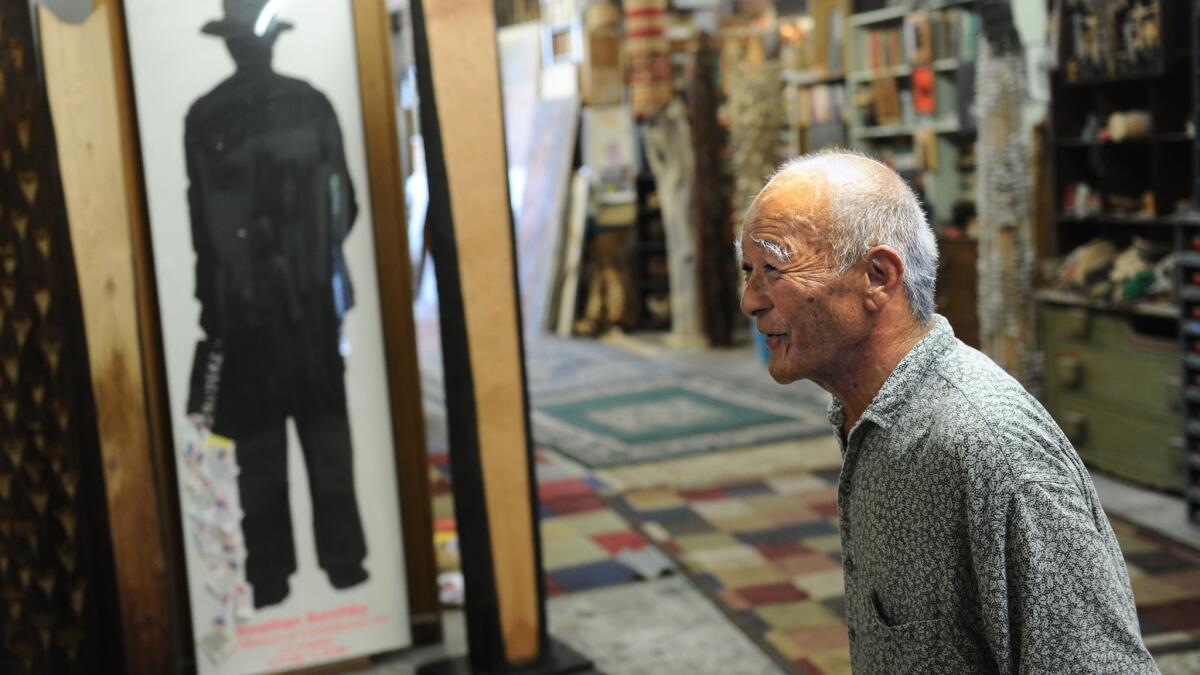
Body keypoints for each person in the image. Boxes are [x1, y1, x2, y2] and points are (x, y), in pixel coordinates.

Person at [739, 151, 1158, 673]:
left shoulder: (990, 445)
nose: (751, 300)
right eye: (748, 271)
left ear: (877, 276)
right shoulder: (869, 416)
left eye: (774, 269)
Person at [184, 0, 368, 608]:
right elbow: (346, 205)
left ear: (230, 45)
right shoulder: (312, 104)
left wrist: (220, 303)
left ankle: (269, 575)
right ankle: (344, 563)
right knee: (327, 434)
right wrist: (314, 261)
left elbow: (202, 234)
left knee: (260, 447)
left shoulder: (204, 117)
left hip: (244, 315)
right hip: (312, 308)